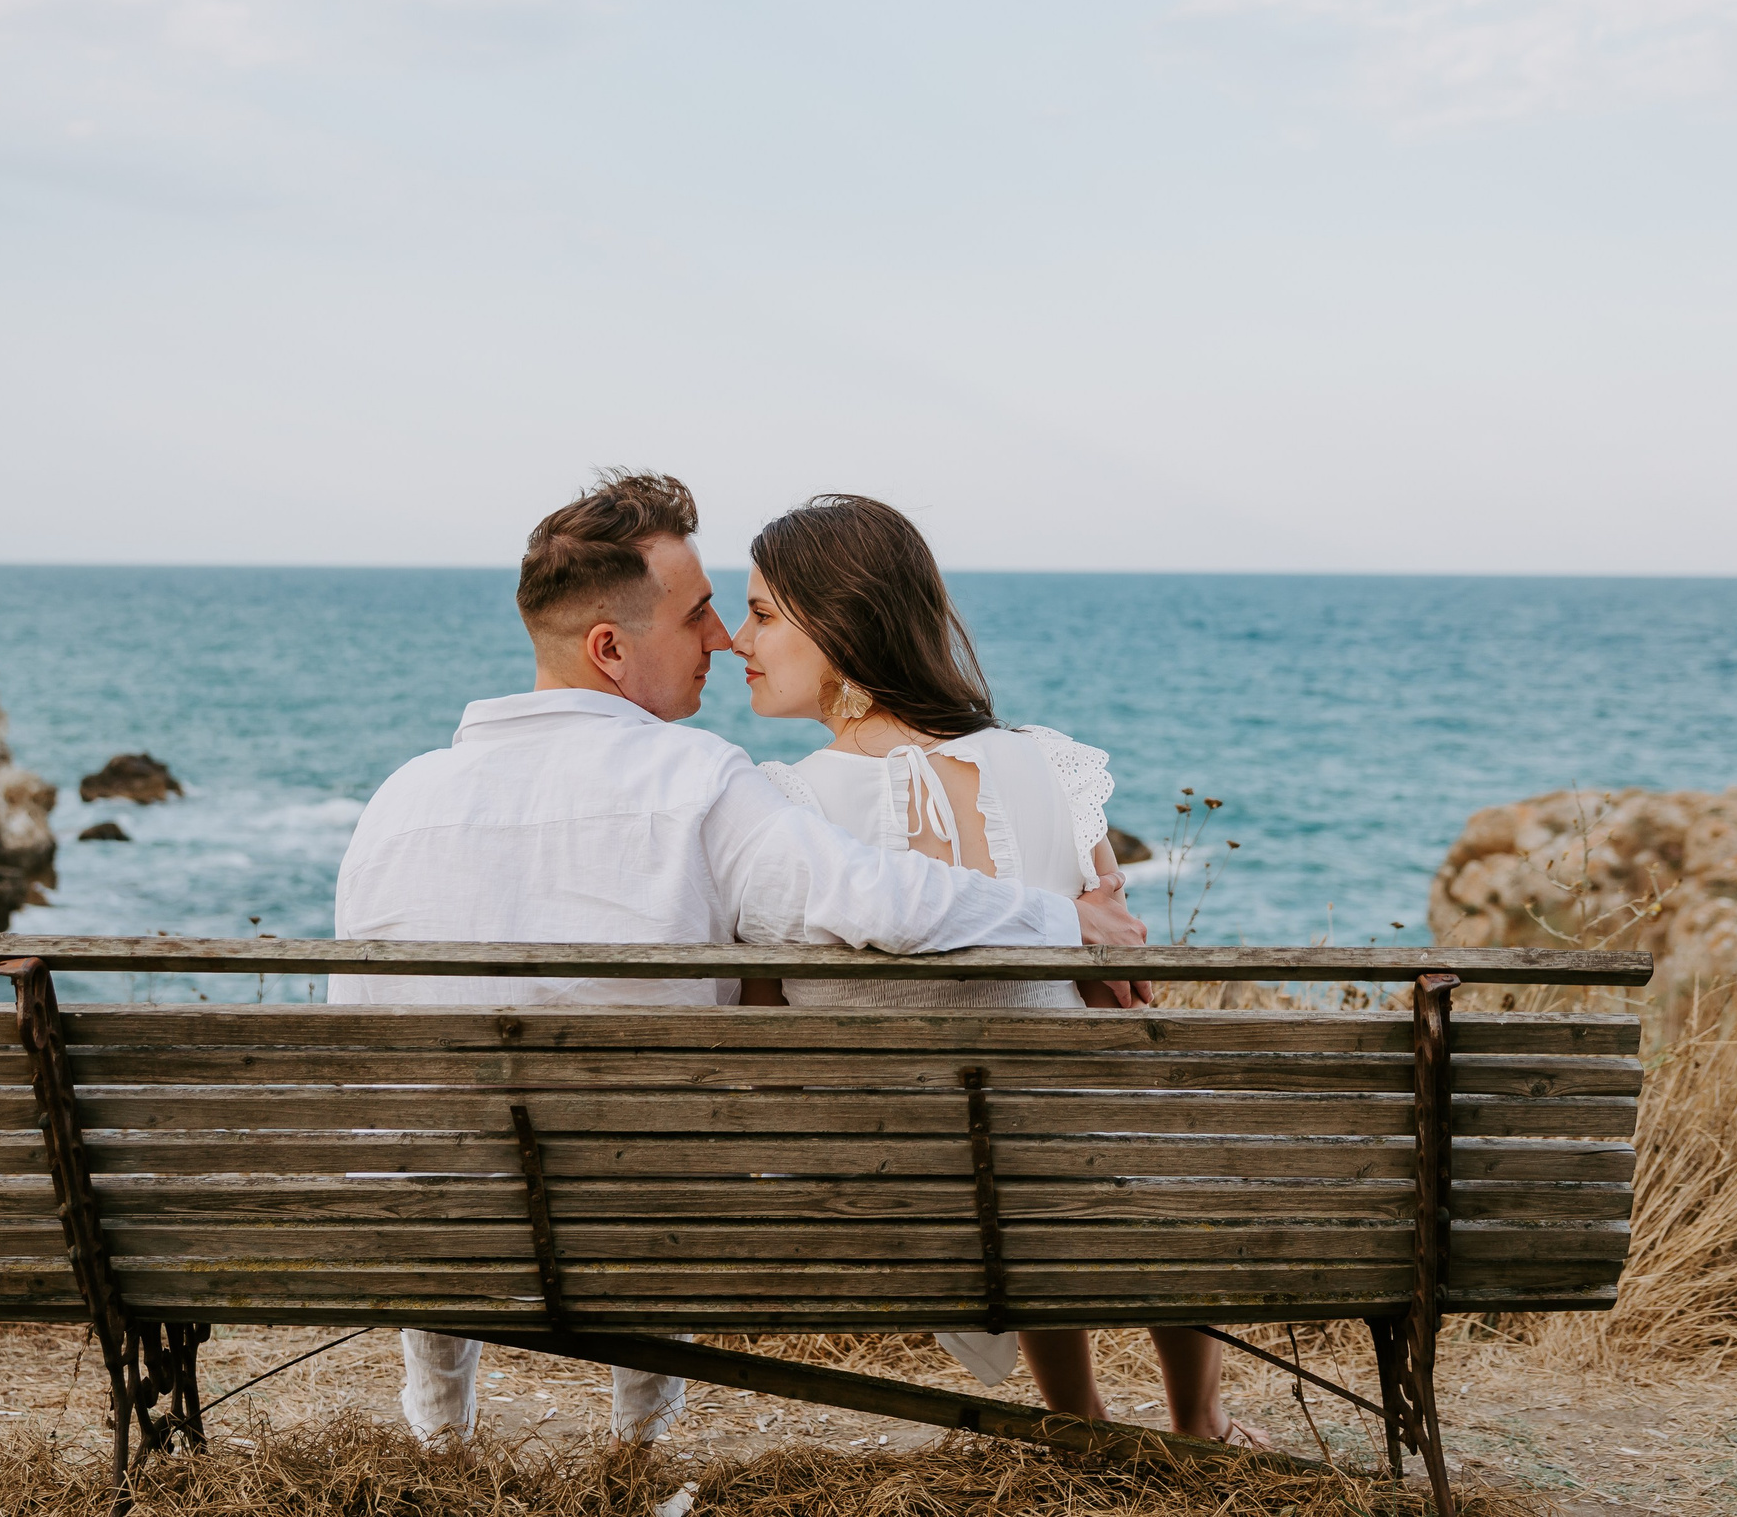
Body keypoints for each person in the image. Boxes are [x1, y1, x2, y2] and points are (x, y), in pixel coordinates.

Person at [329, 470, 1147, 1446]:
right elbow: (870, 899)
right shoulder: (694, 779)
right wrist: (1062, 927)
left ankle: (438, 1430)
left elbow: (367, 1029)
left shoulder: (400, 797)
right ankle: (638, 1442)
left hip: (415, 1218)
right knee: (643, 1127)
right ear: (610, 649)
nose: (722, 637)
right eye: (702, 613)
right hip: (637, 1216)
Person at [728, 492, 1267, 1449]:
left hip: (912, 1186)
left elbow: (762, 1021)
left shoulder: (783, 806)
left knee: (1008, 1143)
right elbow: (1118, 982)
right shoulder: (1049, 766)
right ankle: (1200, 1422)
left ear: (840, 623)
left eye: (764, 611)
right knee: (1074, 1112)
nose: (739, 638)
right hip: (1077, 1166)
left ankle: (1075, 1415)